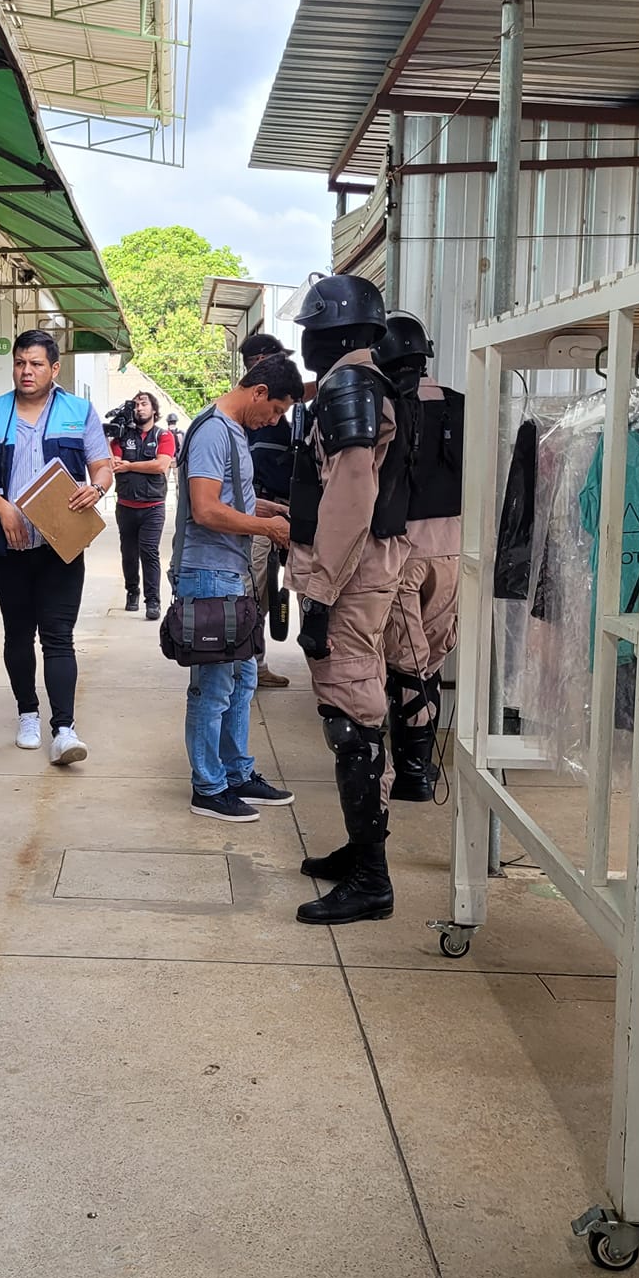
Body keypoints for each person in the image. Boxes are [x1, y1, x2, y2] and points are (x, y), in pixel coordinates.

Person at [286, 274, 410, 925]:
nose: (305, 343)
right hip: (361, 572)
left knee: (352, 720)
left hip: (350, 578)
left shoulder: (349, 386)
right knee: (356, 708)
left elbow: (351, 494)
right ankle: (361, 853)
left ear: (335, 332)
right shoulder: (366, 381)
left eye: (312, 329)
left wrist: (320, 596)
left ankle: (371, 879)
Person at [0, 329, 113, 765]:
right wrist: (3, 509)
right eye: (19, 363)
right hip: (7, 544)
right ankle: (27, 713)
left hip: (60, 544)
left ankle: (64, 729)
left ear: (54, 368)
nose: (26, 371)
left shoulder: (78, 411)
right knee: (17, 632)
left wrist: (97, 488)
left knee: (58, 636)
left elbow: (102, 465)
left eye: (35, 364)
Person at [172, 355, 306, 821]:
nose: (274, 421)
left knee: (243, 677)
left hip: (231, 574)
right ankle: (208, 788)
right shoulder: (213, 431)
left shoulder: (231, 431)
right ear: (259, 392)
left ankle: (236, 773)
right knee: (212, 687)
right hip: (208, 574)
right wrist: (267, 529)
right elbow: (206, 509)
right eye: (276, 410)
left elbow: (229, 499)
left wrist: (265, 508)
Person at [376, 311, 462, 802]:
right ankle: (421, 768)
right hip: (454, 551)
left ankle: (410, 772)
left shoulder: (384, 407)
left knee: (403, 661)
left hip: (400, 552)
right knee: (430, 662)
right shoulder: (462, 405)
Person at [239, 332, 296, 688]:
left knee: (265, 595)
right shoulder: (249, 412)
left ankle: (254, 665)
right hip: (258, 513)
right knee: (251, 594)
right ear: (260, 362)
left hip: (277, 511)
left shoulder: (273, 412)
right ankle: (245, 668)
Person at [109, 391, 174, 619]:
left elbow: (161, 465)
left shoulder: (164, 436)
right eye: (135, 405)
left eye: (144, 404)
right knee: (128, 553)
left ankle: (153, 601)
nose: (139, 408)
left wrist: (130, 466)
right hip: (126, 506)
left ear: (154, 409)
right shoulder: (122, 437)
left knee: (149, 552)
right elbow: (114, 462)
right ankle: (132, 591)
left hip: (152, 507)